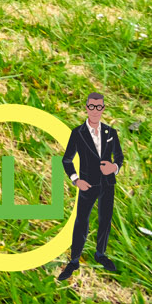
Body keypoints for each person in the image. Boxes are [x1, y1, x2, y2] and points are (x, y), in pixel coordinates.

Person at [58, 92, 123, 281]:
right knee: (81, 221)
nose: (95, 110)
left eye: (99, 107)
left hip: (107, 183)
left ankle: (100, 254)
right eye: (92, 107)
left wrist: (115, 167)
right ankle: (74, 259)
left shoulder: (110, 133)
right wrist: (76, 179)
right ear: (87, 108)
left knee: (105, 219)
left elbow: (118, 157)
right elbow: (67, 159)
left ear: (103, 109)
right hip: (87, 184)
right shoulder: (78, 133)